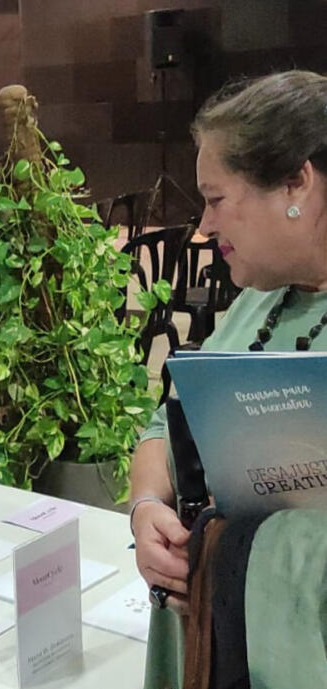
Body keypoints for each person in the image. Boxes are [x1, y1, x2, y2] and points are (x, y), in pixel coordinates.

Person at [131, 69, 327, 617]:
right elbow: (166, 427)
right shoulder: (257, 300)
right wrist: (147, 507)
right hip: (222, 660)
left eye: (216, 199)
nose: (204, 226)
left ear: (296, 183)